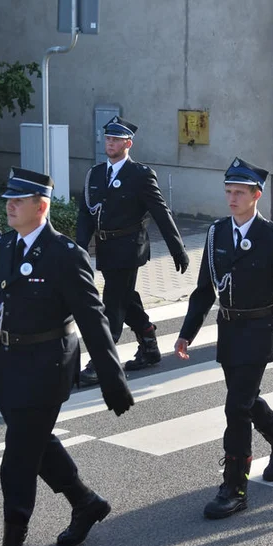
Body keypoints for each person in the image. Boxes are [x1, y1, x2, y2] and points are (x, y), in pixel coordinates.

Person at [0, 168, 133, 546]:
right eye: (8, 200)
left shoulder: (66, 255)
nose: (10, 206)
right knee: (36, 443)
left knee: (17, 456)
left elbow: (93, 320)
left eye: (19, 200)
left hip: (48, 367)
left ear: (42, 206)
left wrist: (112, 379)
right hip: (12, 366)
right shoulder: (3, 247)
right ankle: (86, 503)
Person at [174, 158, 273, 519]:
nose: (231, 199)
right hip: (229, 331)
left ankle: (235, 487)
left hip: (259, 330)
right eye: (228, 192)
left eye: (239, 193)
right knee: (246, 402)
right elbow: (204, 290)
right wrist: (186, 333)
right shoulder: (216, 232)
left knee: (236, 407)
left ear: (256, 195)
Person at [76, 116, 188, 385]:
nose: (110, 143)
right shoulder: (95, 174)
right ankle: (149, 344)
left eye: (116, 139)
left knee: (112, 303)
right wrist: (78, 251)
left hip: (129, 248)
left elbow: (160, 211)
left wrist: (177, 248)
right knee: (126, 298)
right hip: (106, 248)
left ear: (128, 143)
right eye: (108, 138)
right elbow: (85, 215)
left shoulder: (139, 174)